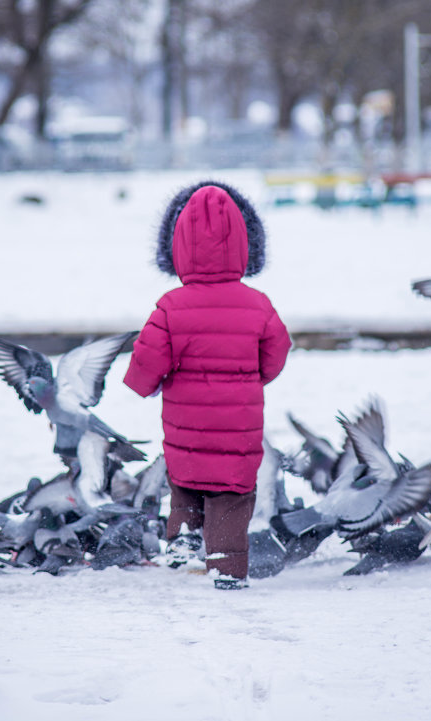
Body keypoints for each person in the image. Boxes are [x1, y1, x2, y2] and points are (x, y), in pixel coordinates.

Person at [123, 181, 291, 589]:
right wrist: (251, 378)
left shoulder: (170, 307)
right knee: (231, 496)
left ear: (179, 249)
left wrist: (150, 385)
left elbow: (144, 368)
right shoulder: (258, 305)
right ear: (242, 247)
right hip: (239, 431)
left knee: (186, 479)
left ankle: (182, 538)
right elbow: (278, 353)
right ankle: (228, 570)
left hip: (186, 429)